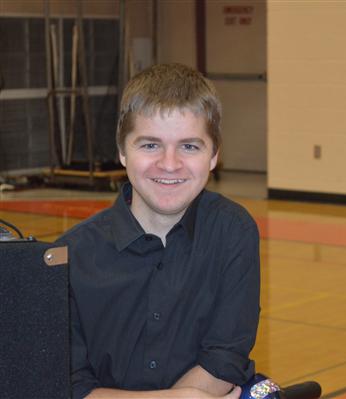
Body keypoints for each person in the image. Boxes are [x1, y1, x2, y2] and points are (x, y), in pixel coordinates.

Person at [59, 63, 260, 399]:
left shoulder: (233, 231)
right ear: (123, 151)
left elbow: (225, 361)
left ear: (214, 156)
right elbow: (72, 386)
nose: (169, 164)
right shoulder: (69, 257)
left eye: (190, 146)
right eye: (150, 145)